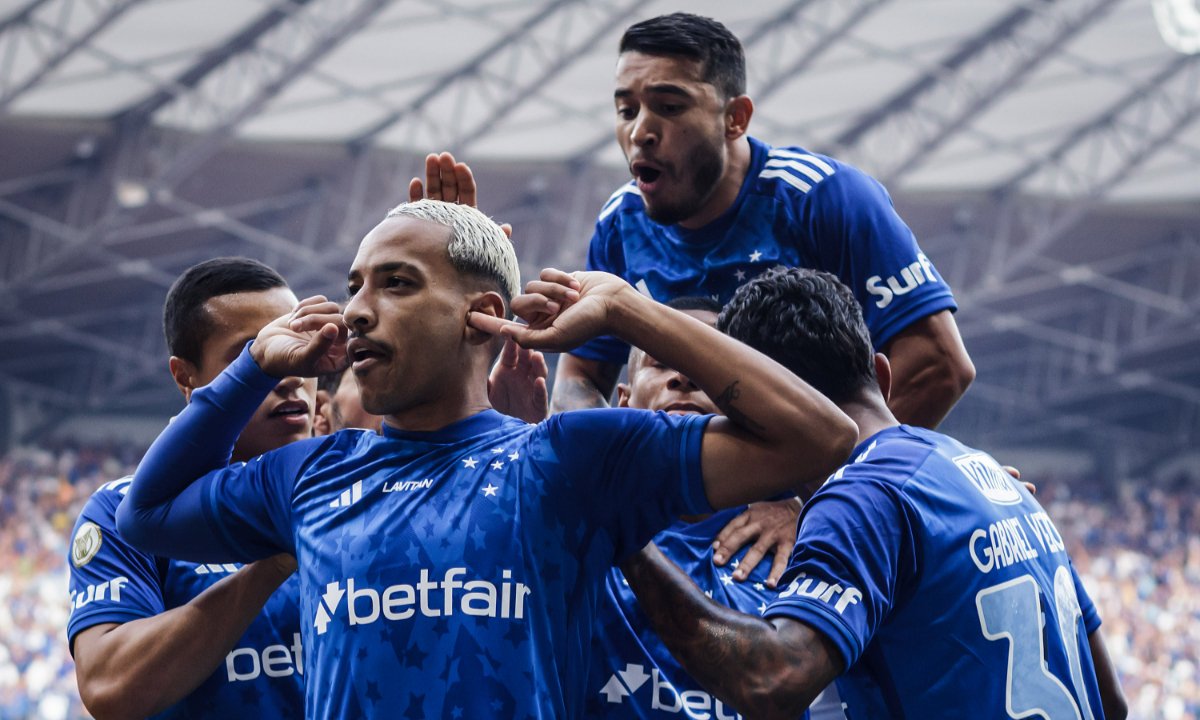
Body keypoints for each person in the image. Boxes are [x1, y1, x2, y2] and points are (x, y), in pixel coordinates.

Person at [113, 200, 858, 718]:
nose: (358, 310)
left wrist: (633, 312)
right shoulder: (313, 473)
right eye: (355, 288)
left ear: (483, 315)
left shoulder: (568, 458)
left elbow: (818, 438)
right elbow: (143, 515)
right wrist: (251, 368)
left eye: (397, 283)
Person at [620, 267, 1128, 720]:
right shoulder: (992, 478)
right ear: (882, 376)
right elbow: (1113, 703)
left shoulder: (862, 498)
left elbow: (770, 683)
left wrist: (628, 539)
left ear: (762, 417)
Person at [552, 12, 974, 430]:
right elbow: (580, 377)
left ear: (735, 118)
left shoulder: (823, 198)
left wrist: (829, 487)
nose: (640, 130)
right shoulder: (620, 224)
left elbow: (937, 366)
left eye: (670, 107)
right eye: (627, 110)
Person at [67, 258, 308, 718]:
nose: (289, 369)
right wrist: (274, 562)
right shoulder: (119, 514)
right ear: (185, 377)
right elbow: (108, 685)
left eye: (299, 341)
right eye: (254, 354)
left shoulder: (354, 488)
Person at [587, 295, 844, 720]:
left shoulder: (812, 538)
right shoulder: (576, 527)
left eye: (704, 364)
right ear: (623, 401)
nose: (683, 377)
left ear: (756, 405)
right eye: (660, 362)